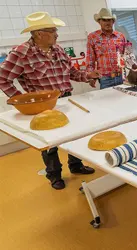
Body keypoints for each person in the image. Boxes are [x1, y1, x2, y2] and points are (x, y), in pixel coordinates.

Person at [0, 12, 100, 190]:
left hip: (66, 99)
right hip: (43, 106)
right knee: (50, 144)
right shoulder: (21, 53)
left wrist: (87, 76)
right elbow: (3, 78)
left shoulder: (59, 50)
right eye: (53, 30)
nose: (57, 34)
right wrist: (22, 101)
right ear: (39, 33)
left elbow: (72, 74)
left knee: (74, 135)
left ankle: (76, 165)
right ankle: (54, 175)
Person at [86, 8, 137, 89]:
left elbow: (128, 56)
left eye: (109, 20)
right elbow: (90, 59)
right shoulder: (93, 37)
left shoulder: (120, 36)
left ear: (113, 21)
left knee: (125, 100)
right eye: (104, 20)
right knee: (108, 101)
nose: (107, 23)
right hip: (105, 78)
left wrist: (134, 69)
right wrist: (91, 77)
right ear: (99, 21)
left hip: (122, 77)